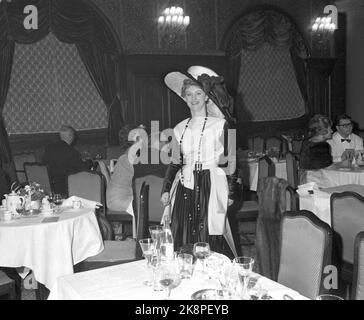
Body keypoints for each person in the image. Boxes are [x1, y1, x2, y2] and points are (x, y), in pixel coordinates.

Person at [160, 66, 238, 258]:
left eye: (198, 93)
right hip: (185, 186)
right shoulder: (179, 128)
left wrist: (232, 190)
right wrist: (166, 188)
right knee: (182, 231)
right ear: (184, 98)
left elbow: (230, 159)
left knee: (210, 233)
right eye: (189, 94)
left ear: (206, 97)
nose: (193, 98)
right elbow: (175, 162)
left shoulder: (222, 125)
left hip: (211, 185)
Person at [43, 125, 92, 196]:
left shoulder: (49, 148)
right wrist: (89, 162)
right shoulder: (71, 151)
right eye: (73, 136)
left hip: (47, 184)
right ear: (70, 136)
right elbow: (82, 169)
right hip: (64, 187)